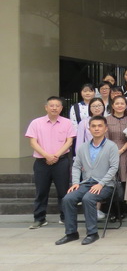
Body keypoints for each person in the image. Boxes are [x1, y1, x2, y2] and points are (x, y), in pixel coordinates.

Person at [55, 115, 118, 245]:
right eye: (93, 126)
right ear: (89, 129)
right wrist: (75, 182)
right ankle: (71, 233)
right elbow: (76, 166)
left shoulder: (111, 146)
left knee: (88, 198)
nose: (96, 129)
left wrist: (101, 184)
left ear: (106, 128)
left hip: (106, 184)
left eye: (100, 126)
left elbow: (114, 168)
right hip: (86, 183)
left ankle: (92, 233)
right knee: (68, 199)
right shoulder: (83, 147)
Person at [26, 96, 76, 229]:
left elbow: (69, 141)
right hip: (41, 162)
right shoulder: (36, 123)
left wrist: (56, 156)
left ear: (61, 108)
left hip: (61, 161)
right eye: (51, 105)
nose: (54, 108)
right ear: (46, 107)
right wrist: (47, 156)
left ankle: (65, 217)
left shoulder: (67, 123)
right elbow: (33, 142)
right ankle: (39, 219)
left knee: (63, 191)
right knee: (41, 191)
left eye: (57, 106)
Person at [106, 96, 127, 189]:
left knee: (125, 176)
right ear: (112, 106)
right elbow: (105, 138)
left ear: (126, 106)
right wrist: (113, 151)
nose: (119, 106)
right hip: (110, 150)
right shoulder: (107, 119)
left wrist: (121, 150)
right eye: (117, 103)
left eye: (122, 103)